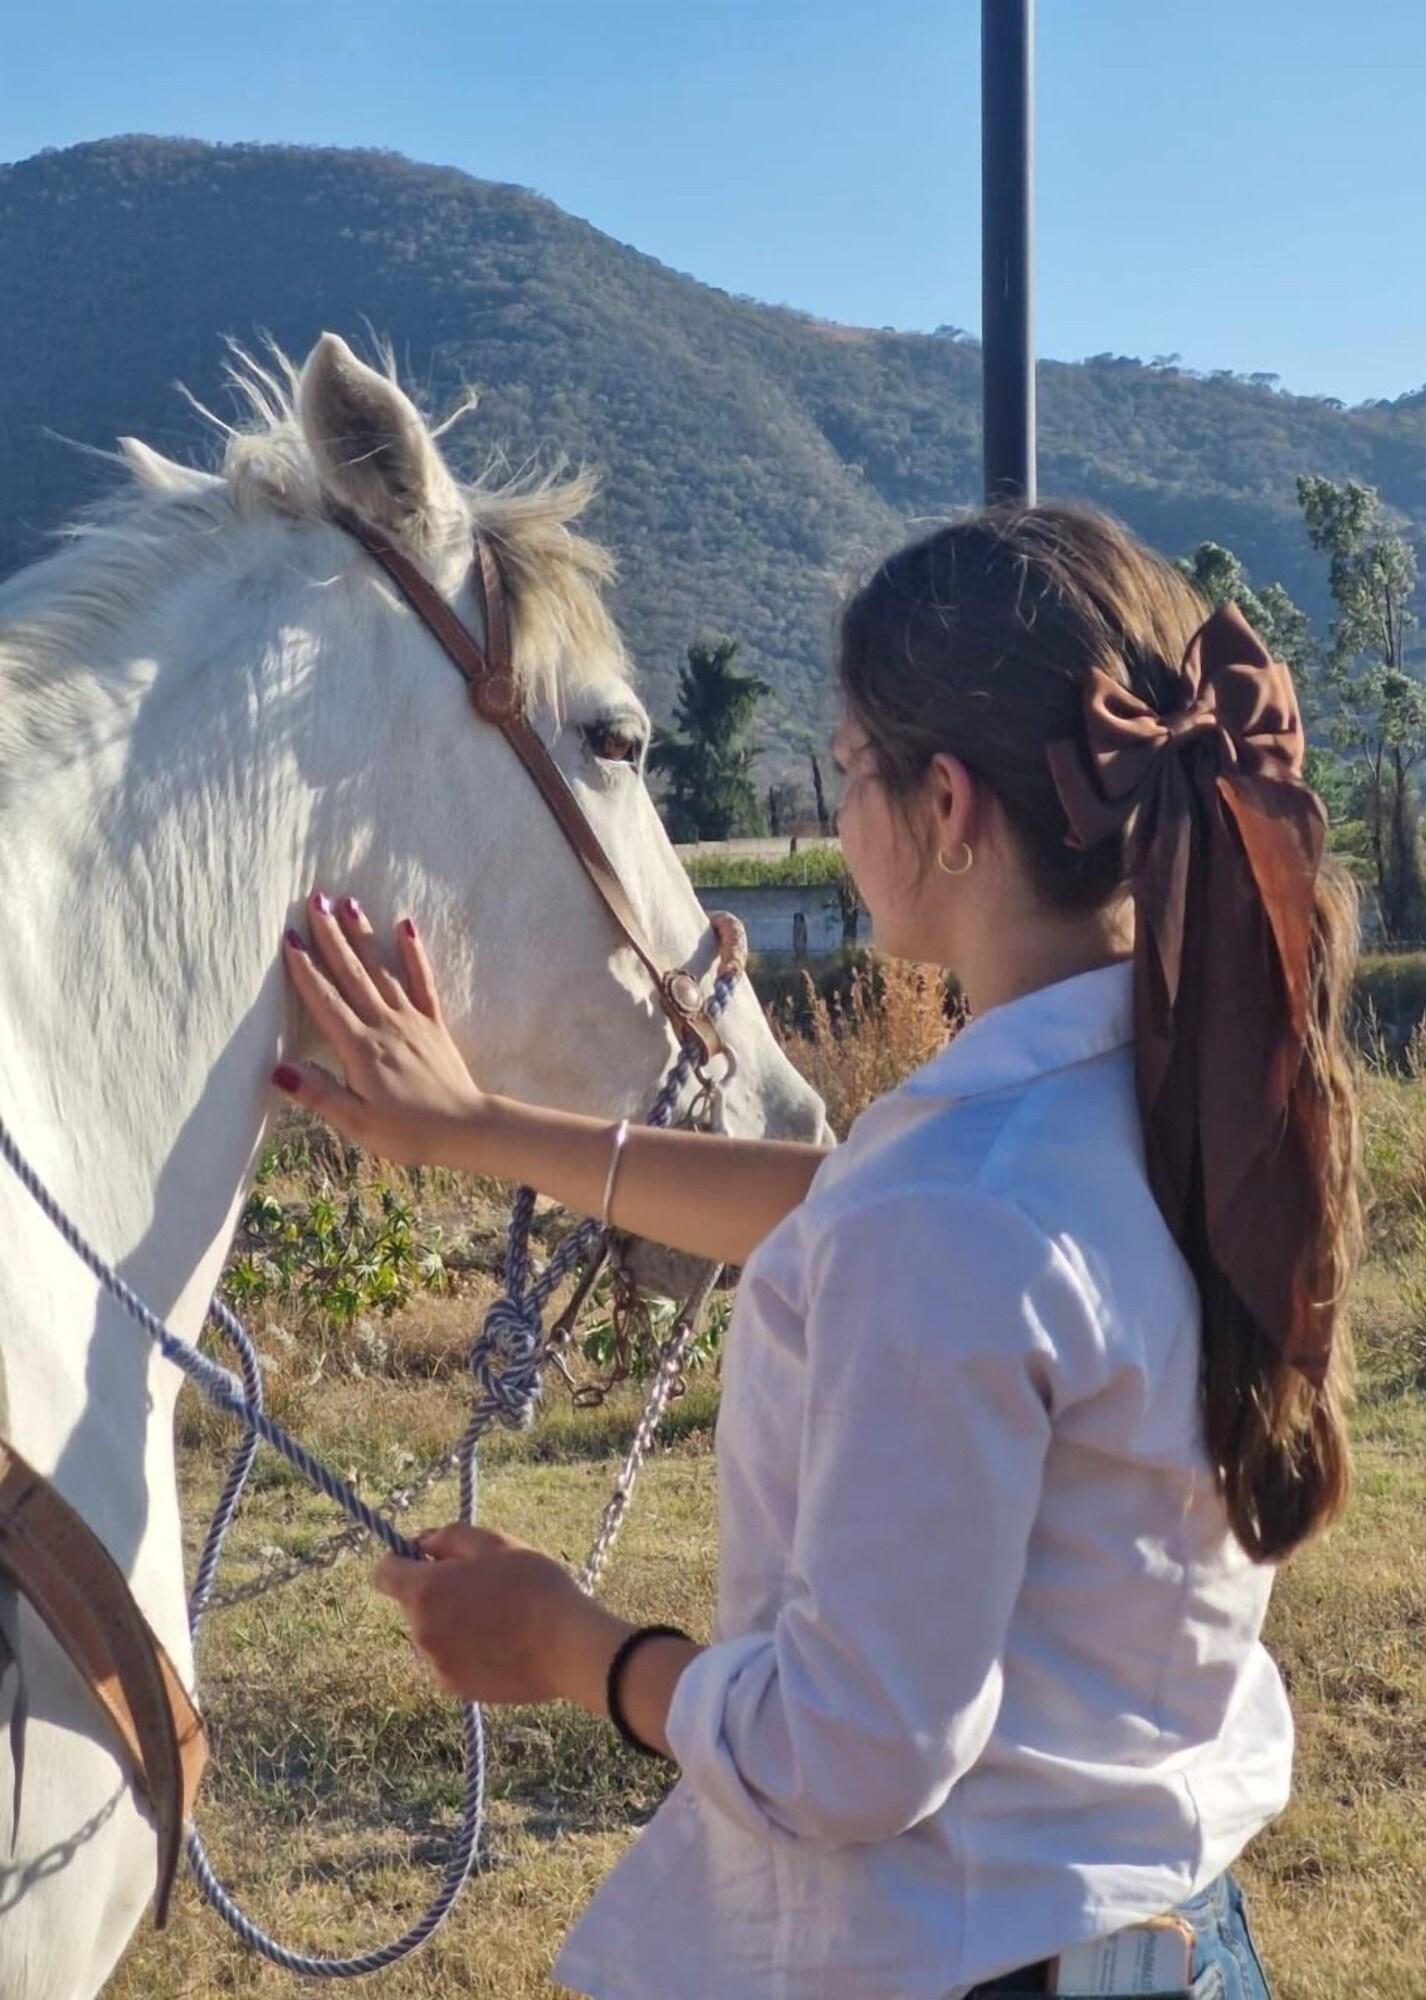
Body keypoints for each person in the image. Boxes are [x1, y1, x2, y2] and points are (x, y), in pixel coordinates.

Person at [268, 503, 1362, 1999]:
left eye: (845, 769)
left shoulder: (963, 1208)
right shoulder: (1145, 1104)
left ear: (951, 806)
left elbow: (851, 1756)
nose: (837, 813)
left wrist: (569, 1645)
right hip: (1170, 1937)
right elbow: (845, 1207)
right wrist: (473, 1125)